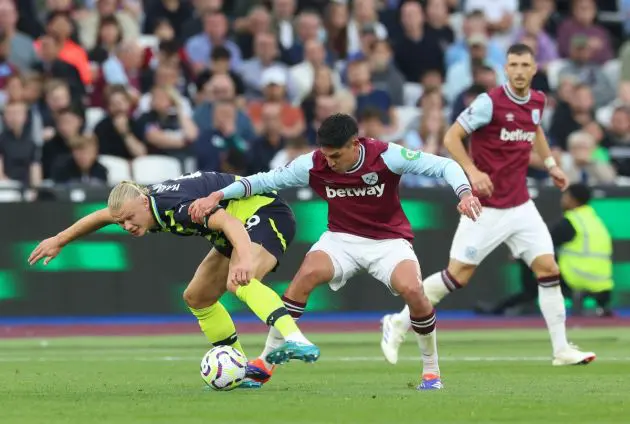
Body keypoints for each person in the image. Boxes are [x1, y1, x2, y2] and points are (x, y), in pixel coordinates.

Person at [189, 113, 482, 391]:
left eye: (336, 156)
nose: (329, 163)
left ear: (355, 144)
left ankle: (431, 369)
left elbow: (445, 166)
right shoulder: (312, 164)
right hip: (341, 239)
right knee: (305, 276)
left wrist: (464, 192)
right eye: (326, 155)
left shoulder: (387, 155)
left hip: (388, 241)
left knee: (414, 291)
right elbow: (263, 180)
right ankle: (265, 363)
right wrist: (219, 194)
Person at [378, 44, 596, 367]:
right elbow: (452, 137)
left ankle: (561, 348)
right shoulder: (489, 103)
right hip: (485, 207)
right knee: (456, 277)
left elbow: (534, 128)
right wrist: (474, 171)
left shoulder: (537, 101)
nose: (520, 70)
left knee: (549, 269)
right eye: (514, 65)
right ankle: (397, 322)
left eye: (525, 64)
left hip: (521, 205)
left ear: (534, 69)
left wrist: (550, 164)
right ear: (506, 69)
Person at [27, 172, 320, 389]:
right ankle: (240, 369)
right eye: (121, 223)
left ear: (144, 202)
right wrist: (60, 239)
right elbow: (102, 216)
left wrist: (243, 259)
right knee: (197, 297)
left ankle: (296, 339)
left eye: (129, 218)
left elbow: (229, 223)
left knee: (238, 282)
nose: (127, 226)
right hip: (233, 226)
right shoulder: (138, 204)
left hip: (262, 212)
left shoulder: (176, 208)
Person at [477, 184, 614, 317]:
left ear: (572, 199)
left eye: (565, 196)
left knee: (528, 255)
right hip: (602, 282)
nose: (562, 200)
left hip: (576, 276)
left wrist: (518, 254)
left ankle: (527, 298)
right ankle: (522, 299)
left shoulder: (572, 221)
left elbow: (541, 240)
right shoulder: (595, 220)